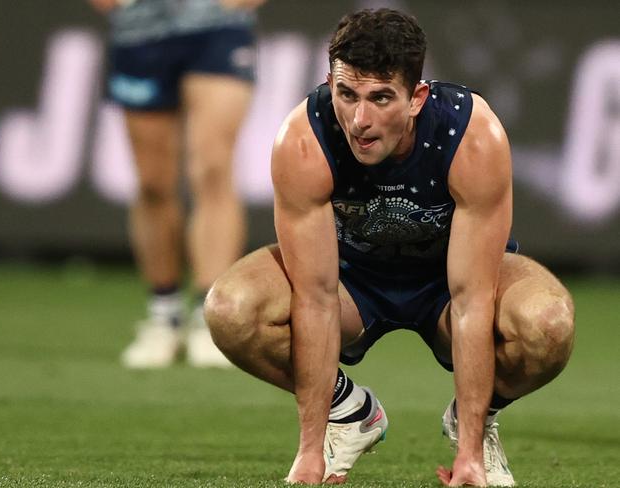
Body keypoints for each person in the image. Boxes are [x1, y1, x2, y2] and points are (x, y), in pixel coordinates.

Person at [203, 8, 575, 486]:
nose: (360, 120)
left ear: (417, 97)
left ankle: (474, 419)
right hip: (350, 284)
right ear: (329, 84)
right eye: (346, 94)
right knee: (231, 310)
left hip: (449, 284)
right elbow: (315, 299)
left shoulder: (472, 137)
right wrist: (310, 449)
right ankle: (349, 411)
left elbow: (471, 301)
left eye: (381, 98)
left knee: (548, 325)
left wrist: (469, 456)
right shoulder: (303, 140)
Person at [87, 0, 267, 368]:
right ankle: (164, 314)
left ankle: (210, 317)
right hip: (139, 31)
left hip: (220, 27)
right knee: (153, 183)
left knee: (213, 169)